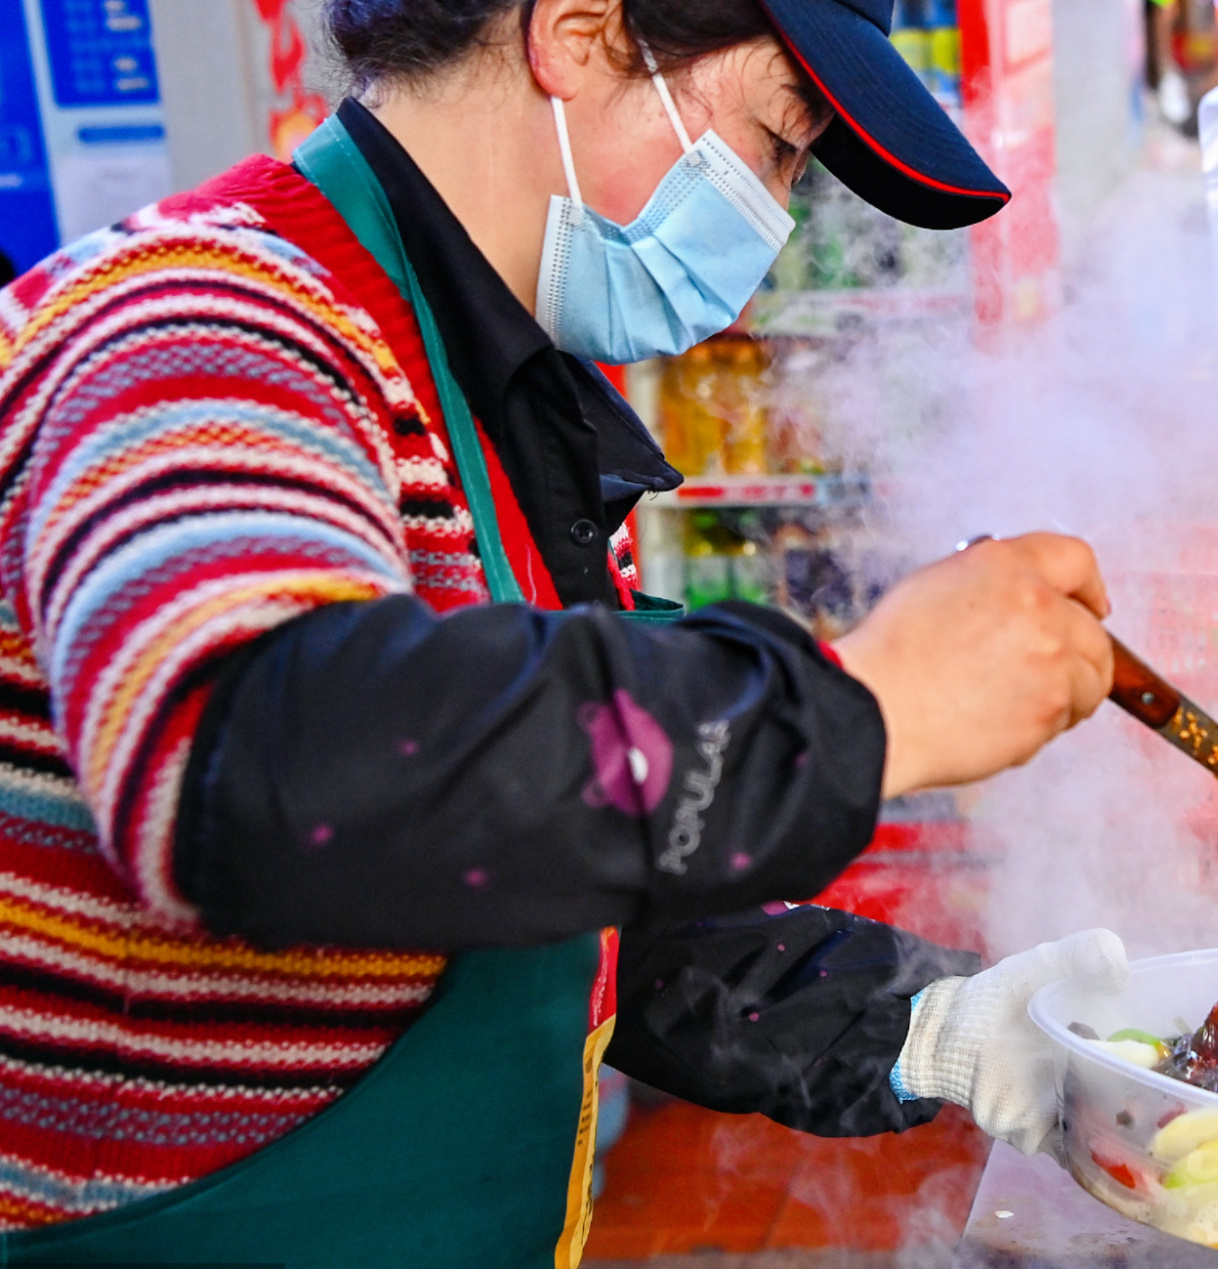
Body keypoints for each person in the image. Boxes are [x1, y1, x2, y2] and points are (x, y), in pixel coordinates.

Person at [0, 0, 1128, 1263]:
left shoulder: (503, 403)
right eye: (773, 144)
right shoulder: (197, 318)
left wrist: (934, 1028)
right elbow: (263, 757)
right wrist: (864, 707)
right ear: (580, 34)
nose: (774, 215)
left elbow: (553, 867)